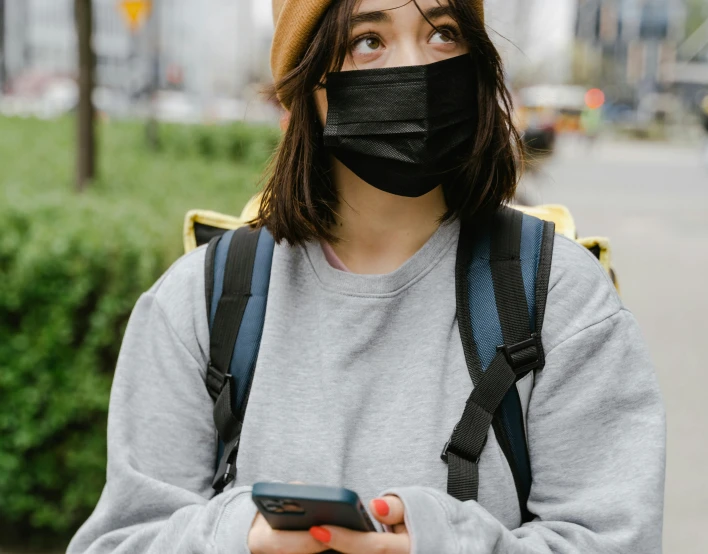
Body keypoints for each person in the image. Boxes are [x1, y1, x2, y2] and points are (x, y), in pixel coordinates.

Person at [67, 1, 666, 553]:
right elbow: (121, 540)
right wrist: (238, 536)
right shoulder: (201, 298)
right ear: (305, 83)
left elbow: (615, 539)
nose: (415, 65)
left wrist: (442, 540)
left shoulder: (559, 296)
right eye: (369, 40)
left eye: (442, 33)